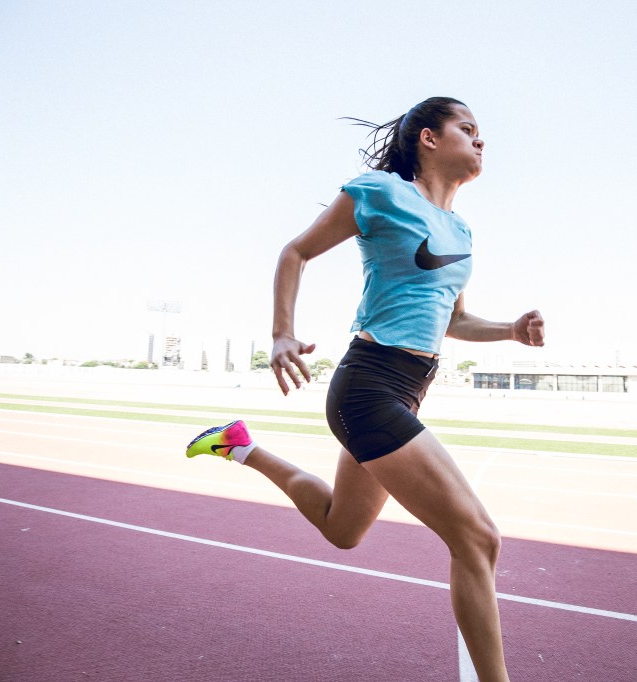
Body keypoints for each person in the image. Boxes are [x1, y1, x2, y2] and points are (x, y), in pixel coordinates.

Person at [186, 96, 545, 682]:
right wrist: (281, 335)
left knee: (342, 529)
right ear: (429, 138)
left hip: (408, 389)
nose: (481, 141)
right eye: (468, 129)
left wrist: (511, 331)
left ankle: (239, 445)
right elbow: (295, 252)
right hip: (369, 385)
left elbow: (453, 320)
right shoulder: (379, 191)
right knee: (478, 539)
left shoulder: (461, 230)